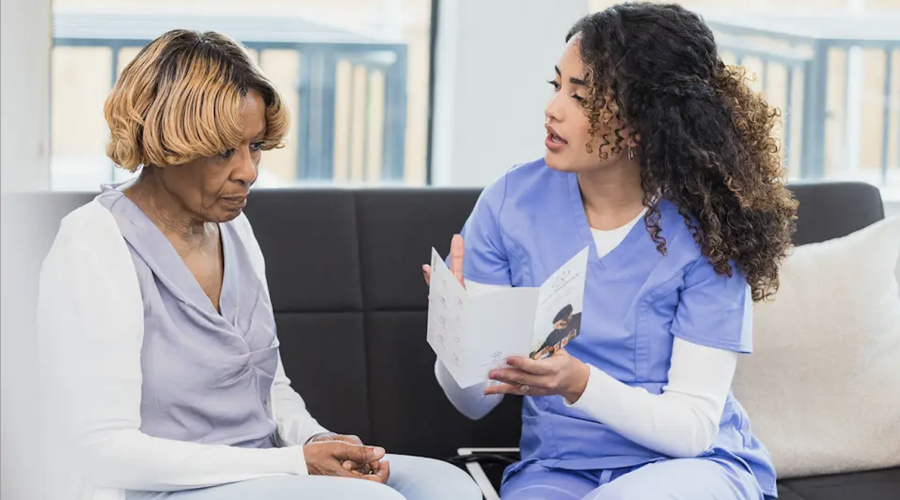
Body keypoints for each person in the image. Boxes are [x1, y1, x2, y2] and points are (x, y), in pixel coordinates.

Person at [36, 29, 481, 500]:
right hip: (162, 489)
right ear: (170, 144)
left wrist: (313, 440)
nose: (248, 171)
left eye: (255, 147)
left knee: (449, 488)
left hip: (263, 469)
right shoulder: (95, 243)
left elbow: (269, 386)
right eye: (225, 150)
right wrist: (293, 464)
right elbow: (104, 450)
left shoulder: (233, 228)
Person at [422, 3, 797, 500]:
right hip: (556, 472)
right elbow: (473, 404)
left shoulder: (709, 226)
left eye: (581, 96)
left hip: (689, 470)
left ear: (644, 120)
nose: (553, 109)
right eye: (557, 86)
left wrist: (577, 382)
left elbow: (692, 428)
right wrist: (460, 335)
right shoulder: (510, 203)